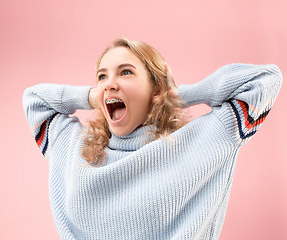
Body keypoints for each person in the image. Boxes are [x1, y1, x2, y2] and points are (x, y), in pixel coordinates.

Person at [22, 37, 282, 240]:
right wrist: (92, 96)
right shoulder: (75, 147)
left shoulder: (200, 142)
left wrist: (176, 95)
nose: (109, 83)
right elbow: (34, 99)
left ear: (155, 89)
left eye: (125, 72)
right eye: (102, 76)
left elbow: (265, 80)